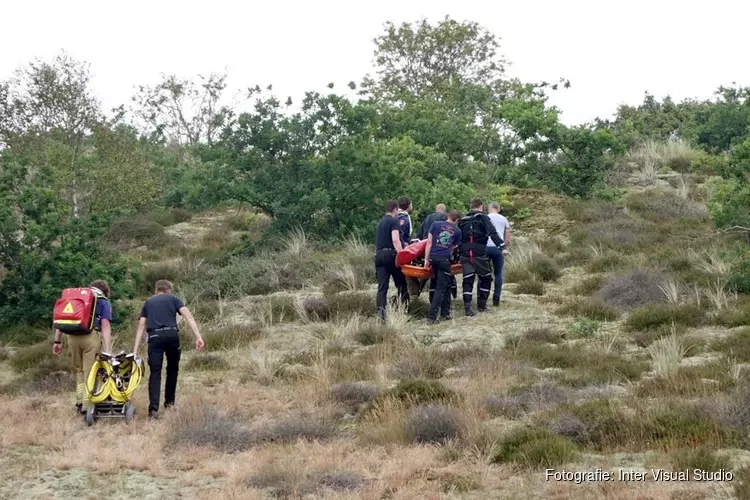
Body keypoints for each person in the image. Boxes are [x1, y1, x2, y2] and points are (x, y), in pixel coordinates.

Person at [133, 279, 204, 419]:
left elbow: (141, 325)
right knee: (172, 369)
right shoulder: (174, 299)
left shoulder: (148, 303)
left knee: (155, 372)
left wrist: (135, 350)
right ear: (169, 290)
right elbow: (188, 316)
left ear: (156, 290)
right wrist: (198, 337)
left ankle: (153, 409)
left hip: (154, 337)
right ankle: (169, 403)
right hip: (171, 335)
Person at [52, 280, 113, 415]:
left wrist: (57, 342)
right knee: (90, 372)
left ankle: (79, 402)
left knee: (79, 370)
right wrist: (108, 350)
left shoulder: (75, 298)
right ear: (105, 291)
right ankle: (88, 406)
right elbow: (105, 325)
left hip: (72, 337)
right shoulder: (102, 300)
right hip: (91, 337)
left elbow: (62, 320)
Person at [458, 198, 505, 316]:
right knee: (486, 278)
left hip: (465, 253)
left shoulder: (463, 220)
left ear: (471, 206)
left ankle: (468, 308)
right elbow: (492, 232)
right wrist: (502, 246)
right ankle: (482, 305)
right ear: (481, 206)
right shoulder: (483, 218)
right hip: (479, 253)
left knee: (467, 280)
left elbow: (458, 236)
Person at [423, 211, 462, 323]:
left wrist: (426, 259)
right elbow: (454, 247)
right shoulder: (457, 230)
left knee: (440, 285)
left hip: (433, 258)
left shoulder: (435, 224)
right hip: (444, 260)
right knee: (441, 288)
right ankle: (431, 317)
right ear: (457, 220)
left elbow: (429, 242)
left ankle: (445, 313)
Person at [375, 200, 408, 320]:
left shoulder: (380, 222)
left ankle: (381, 314)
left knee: (382, 287)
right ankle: (403, 311)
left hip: (378, 255)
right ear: (395, 209)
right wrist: (401, 255)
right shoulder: (394, 221)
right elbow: (395, 239)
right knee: (401, 285)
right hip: (391, 255)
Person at [486, 201, 511, 306]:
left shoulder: (485, 218)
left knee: (485, 273)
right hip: (498, 248)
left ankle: (483, 297)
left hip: (485, 248)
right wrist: (504, 247)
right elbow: (508, 239)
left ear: (489, 208)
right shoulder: (504, 219)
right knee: (498, 272)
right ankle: (496, 297)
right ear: (498, 208)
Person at [396, 196, 421, 298]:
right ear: (408, 205)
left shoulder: (399, 216)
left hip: (402, 247)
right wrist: (404, 245)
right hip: (401, 249)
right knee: (407, 277)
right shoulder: (402, 218)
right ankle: (411, 297)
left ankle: (411, 296)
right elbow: (399, 234)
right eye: (411, 204)